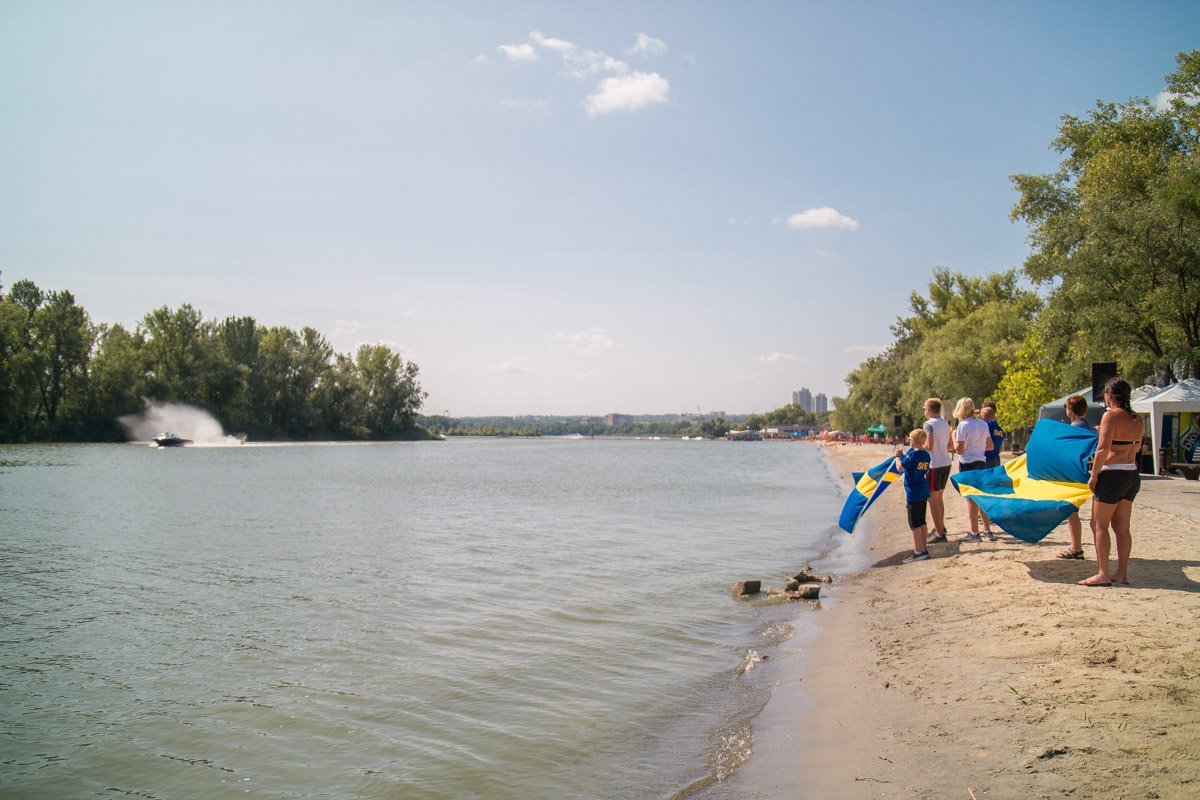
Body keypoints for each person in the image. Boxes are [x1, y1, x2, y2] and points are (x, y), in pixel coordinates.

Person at [1079, 378, 1143, 587]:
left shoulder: (1110, 416)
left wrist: (1094, 474)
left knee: (1098, 524)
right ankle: (1121, 573)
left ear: (1110, 395)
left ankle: (1103, 573)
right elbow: (1136, 449)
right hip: (1131, 474)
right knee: (1122, 527)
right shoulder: (1137, 419)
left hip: (1112, 474)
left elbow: (1102, 449)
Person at [951, 397, 995, 541]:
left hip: (967, 463)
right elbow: (990, 446)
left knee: (971, 498)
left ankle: (974, 532)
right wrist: (978, 446)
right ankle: (987, 530)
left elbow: (959, 449)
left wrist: (953, 436)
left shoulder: (963, 425)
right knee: (981, 496)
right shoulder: (983, 424)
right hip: (981, 461)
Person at [1058, 394, 1093, 560]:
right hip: (1082, 472)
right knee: (1072, 511)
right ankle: (1076, 547)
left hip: (1074, 474)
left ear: (1070, 410)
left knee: (1072, 511)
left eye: (1066, 407)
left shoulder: (1076, 428)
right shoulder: (1086, 425)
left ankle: (1076, 548)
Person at [892, 428, 932, 561]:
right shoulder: (926, 455)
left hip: (913, 492)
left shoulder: (913, 455)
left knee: (914, 523)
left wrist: (898, 457)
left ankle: (918, 551)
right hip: (923, 489)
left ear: (913, 440)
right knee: (922, 521)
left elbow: (900, 468)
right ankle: (924, 548)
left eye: (910, 439)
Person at [922, 398, 954, 543]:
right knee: (939, 497)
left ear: (929, 410)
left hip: (934, 464)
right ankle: (940, 526)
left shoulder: (928, 424)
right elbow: (950, 445)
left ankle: (940, 533)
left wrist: (917, 446)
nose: (924, 411)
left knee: (932, 500)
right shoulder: (945, 423)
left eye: (924, 409)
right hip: (946, 463)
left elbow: (929, 445)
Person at [980, 400, 1005, 469]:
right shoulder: (999, 429)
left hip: (986, 459)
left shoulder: (985, 425)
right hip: (996, 459)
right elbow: (1002, 448)